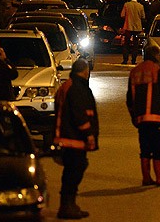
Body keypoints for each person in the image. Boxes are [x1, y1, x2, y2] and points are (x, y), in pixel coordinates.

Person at [53, 58, 99, 219]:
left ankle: (69, 204)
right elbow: (79, 113)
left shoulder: (67, 86)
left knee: (73, 169)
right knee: (74, 170)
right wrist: (88, 133)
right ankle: (67, 205)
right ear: (86, 71)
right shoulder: (77, 88)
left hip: (68, 136)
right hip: (73, 137)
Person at [126, 45, 160, 186]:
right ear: (156, 55)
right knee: (159, 148)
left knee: (145, 148)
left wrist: (133, 116)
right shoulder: (158, 70)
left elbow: (129, 98)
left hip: (141, 118)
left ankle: (146, 177)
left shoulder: (135, 71)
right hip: (157, 117)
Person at [120, 0, 146, 65]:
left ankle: (125, 59)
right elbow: (143, 16)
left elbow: (122, 15)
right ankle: (133, 60)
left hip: (128, 26)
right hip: (137, 28)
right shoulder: (140, 6)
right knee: (135, 44)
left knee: (126, 43)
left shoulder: (127, 5)